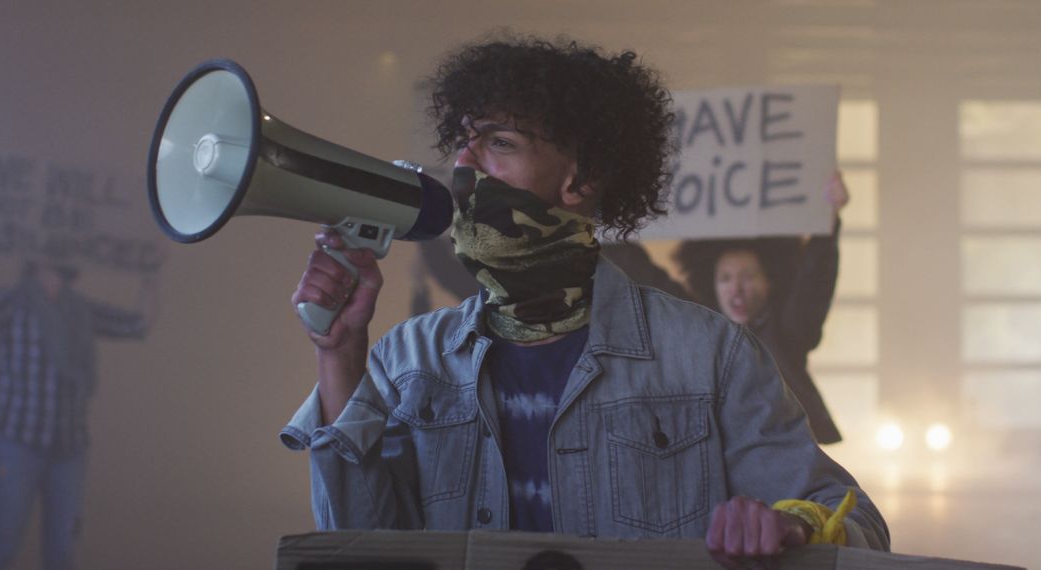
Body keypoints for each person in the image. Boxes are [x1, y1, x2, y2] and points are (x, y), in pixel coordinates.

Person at [282, 35, 889, 567]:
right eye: (462, 144)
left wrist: (791, 525)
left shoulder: (711, 356)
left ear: (582, 177)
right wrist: (339, 353)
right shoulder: (405, 358)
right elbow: (358, 551)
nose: (463, 165)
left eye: (499, 141)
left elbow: (856, 523)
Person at [0, 206, 158, 570]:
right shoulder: (13, 302)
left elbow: (137, 325)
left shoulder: (80, 311)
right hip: (16, 444)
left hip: (68, 448)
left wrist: (149, 277)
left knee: (62, 554)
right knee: (3, 547)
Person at [672, 175, 848, 444]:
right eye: (726, 278)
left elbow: (815, 280)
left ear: (770, 281)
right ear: (710, 284)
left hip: (781, 455)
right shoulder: (699, 326)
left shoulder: (789, 330)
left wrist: (830, 218)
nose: (736, 288)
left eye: (748, 275)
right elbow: (641, 272)